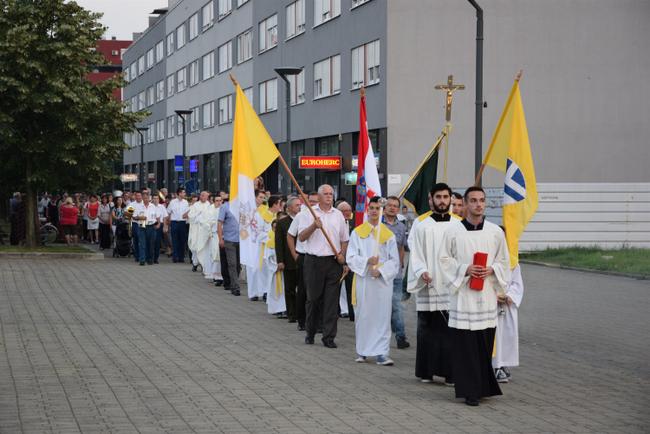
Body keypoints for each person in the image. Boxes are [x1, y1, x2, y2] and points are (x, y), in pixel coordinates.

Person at [439, 186, 511, 406]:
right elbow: (443, 260)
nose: (478, 204)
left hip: (486, 294)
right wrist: (465, 269)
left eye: (481, 200)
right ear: (465, 204)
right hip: (463, 296)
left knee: (484, 343)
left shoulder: (495, 232)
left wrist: (492, 270)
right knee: (465, 346)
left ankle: (483, 387)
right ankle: (469, 390)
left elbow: (504, 261)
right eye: (473, 200)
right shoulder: (453, 231)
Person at [407, 183, 457, 385]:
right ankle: (426, 371)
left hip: (451, 285)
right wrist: (421, 271)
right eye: (439, 197)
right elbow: (415, 251)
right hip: (429, 283)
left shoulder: (459, 224)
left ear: (450, 199)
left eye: (445, 197)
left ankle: (450, 373)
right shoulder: (421, 224)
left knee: (449, 330)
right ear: (431, 199)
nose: (442, 201)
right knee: (427, 329)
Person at [347, 197, 400, 365]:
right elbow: (350, 257)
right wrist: (367, 262)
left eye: (377, 208)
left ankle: (382, 353)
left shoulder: (388, 235)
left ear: (381, 211)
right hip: (364, 281)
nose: (375, 211)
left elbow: (395, 261)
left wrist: (381, 271)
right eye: (372, 208)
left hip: (382, 283)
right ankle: (362, 351)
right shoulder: (357, 233)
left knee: (382, 316)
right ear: (367, 210)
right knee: (364, 315)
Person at [298, 185, 349, 348]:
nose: (329, 196)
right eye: (325, 194)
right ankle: (310, 331)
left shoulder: (338, 215)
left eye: (331, 194)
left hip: (333, 262)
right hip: (314, 262)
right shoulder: (308, 213)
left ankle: (329, 337)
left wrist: (342, 255)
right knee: (313, 299)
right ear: (319, 197)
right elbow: (301, 237)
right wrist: (314, 226)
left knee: (331, 302)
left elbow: (344, 239)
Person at [287, 191, 319, 331]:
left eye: (315, 201)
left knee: (318, 291)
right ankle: (302, 320)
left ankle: (317, 321)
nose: (313, 204)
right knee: (304, 290)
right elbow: (290, 235)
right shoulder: (301, 216)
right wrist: (294, 254)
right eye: (311, 201)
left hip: (320, 256)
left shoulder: (325, 215)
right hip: (304, 256)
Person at [382, 196, 410, 349]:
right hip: (380, 273)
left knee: (397, 305)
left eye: (395, 206)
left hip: (396, 274)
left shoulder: (401, 227)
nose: (392, 208)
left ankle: (401, 337)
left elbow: (401, 248)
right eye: (389, 205)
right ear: (384, 208)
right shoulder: (378, 224)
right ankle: (379, 337)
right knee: (381, 306)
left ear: (398, 209)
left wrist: (400, 265)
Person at [493, 260, 524, 383]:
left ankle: (502, 363)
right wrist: (493, 295)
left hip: (506, 305)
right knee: (495, 337)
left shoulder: (513, 262)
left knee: (507, 336)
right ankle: (495, 366)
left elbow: (517, 283)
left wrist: (510, 295)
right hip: (491, 305)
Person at [275, 196, 301, 323]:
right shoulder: (282, 223)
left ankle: (301, 313)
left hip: (303, 259)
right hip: (288, 260)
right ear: (289, 208)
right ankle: (291, 313)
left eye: (300, 205)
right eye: (297, 205)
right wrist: (280, 260)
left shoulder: (304, 220)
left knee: (302, 289)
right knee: (290, 288)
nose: (299, 207)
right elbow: (279, 243)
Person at [336, 200, 355, 321]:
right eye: (344, 211)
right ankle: (335, 312)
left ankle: (352, 314)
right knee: (335, 289)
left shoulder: (355, 224)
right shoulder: (335, 224)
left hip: (352, 262)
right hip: (337, 261)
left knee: (351, 289)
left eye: (348, 210)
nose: (347, 213)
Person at [264, 219, 287, 317]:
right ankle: (276, 309)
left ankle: (285, 309)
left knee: (285, 289)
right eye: (274, 228)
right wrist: (275, 266)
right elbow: (267, 257)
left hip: (285, 268)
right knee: (275, 290)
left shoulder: (284, 239)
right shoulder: (269, 241)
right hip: (275, 270)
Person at [218, 199, 241, 296]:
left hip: (242, 240)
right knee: (232, 264)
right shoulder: (225, 207)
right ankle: (235, 287)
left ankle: (233, 282)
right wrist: (220, 239)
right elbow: (219, 223)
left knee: (238, 266)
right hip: (229, 240)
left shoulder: (243, 206)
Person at [187, 191, 212, 273]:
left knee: (204, 247)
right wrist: (198, 214)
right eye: (202, 195)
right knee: (195, 247)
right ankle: (195, 263)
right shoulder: (195, 205)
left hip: (205, 230)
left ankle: (203, 264)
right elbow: (190, 216)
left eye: (205, 196)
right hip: (196, 229)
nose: (203, 197)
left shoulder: (209, 205)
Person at [203, 195, 223, 283]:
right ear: (213, 202)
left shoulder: (224, 210)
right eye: (217, 201)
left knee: (221, 256)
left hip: (224, 236)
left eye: (220, 200)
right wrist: (210, 231)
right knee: (215, 255)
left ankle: (222, 275)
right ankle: (216, 276)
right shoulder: (210, 210)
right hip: (214, 235)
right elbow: (205, 222)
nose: (219, 202)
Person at [168, 188, 189, 263]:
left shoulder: (186, 202)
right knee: (174, 240)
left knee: (182, 240)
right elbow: (168, 212)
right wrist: (168, 223)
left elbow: (187, 212)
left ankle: (181, 257)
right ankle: (175, 257)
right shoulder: (172, 202)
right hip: (174, 222)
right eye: (183, 192)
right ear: (179, 193)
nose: (184, 194)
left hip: (182, 223)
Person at [128, 191, 145, 262]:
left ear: (142, 196)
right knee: (136, 240)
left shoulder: (144, 204)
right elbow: (128, 214)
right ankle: (137, 256)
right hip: (135, 223)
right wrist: (133, 217)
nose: (138, 197)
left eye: (139, 196)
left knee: (142, 240)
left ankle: (142, 256)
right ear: (135, 196)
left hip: (143, 223)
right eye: (137, 196)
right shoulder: (132, 204)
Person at [152, 193, 168, 264]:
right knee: (151, 242)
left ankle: (156, 258)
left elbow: (165, 217)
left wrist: (165, 226)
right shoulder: (150, 206)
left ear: (159, 199)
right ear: (152, 199)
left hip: (160, 225)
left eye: (157, 198)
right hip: (151, 225)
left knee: (157, 242)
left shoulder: (162, 207)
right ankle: (150, 257)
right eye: (154, 198)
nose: (155, 200)